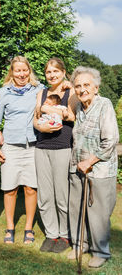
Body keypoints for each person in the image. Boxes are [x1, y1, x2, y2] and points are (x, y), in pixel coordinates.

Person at [67, 66, 119, 268]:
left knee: (98, 212)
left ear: (96, 88)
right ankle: (80, 245)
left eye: (86, 85)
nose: (82, 89)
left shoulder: (104, 105)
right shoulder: (79, 107)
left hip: (99, 170)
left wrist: (90, 161)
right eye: (78, 86)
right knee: (77, 209)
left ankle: (100, 251)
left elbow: (111, 140)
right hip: (78, 168)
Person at [0, 56, 44, 244]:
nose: (22, 74)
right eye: (18, 71)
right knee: (10, 189)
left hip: (32, 145)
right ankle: (9, 228)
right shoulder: (3, 92)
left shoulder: (39, 90)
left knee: (31, 188)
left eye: (25, 70)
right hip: (11, 147)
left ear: (29, 71)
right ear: (12, 72)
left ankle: (29, 228)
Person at [33, 57, 78, 253]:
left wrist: (50, 109)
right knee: (44, 195)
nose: (52, 75)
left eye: (55, 72)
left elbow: (73, 116)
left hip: (62, 147)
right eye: (48, 72)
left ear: (63, 72)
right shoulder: (41, 93)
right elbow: (35, 119)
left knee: (62, 194)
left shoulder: (71, 91)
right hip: (42, 147)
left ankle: (65, 235)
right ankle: (51, 234)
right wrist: (40, 125)